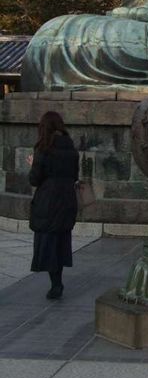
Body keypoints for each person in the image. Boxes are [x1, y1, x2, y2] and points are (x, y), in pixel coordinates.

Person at [28, 111, 79, 299]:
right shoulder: (71, 150)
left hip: (48, 201)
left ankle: (56, 284)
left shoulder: (43, 149)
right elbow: (74, 176)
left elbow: (35, 179)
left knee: (49, 243)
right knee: (61, 241)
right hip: (67, 200)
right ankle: (57, 283)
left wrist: (33, 164)